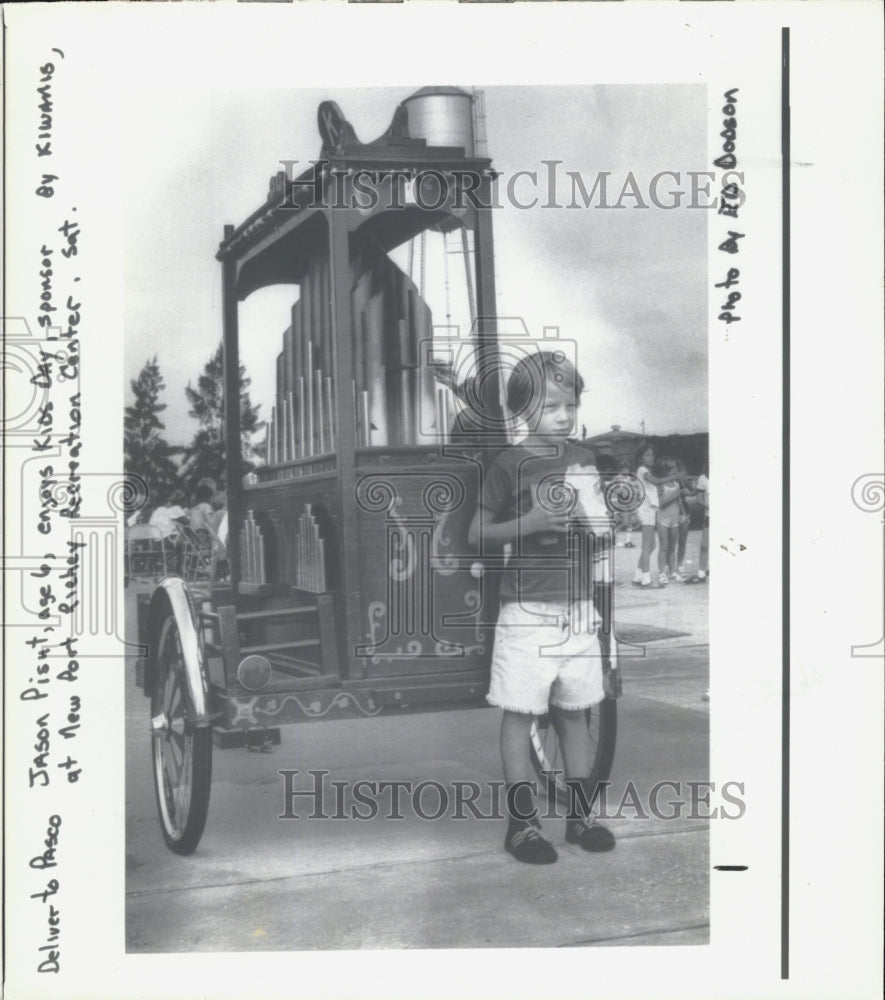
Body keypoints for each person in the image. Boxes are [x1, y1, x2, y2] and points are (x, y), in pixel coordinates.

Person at [469, 350, 616, 865]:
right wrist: (530, 524)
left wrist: (597, 527)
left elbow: (595, 528)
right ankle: (522, 824)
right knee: (521, 715)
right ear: (522, 410)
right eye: (551, 405)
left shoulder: (585, 460)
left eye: (570, 404)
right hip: (526, 609)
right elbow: (477, 532)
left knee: (575, 715)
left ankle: (580, 816)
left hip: (577, 606)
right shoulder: (509, 464)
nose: (564, 415)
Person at [631, 445, 679, 588]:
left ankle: (637, 577)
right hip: (646, 510)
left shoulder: (646, 470)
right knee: (647, 546)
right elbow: (656, 482)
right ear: (641, 458)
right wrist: (675, 476)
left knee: (651, 546)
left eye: (652, 454)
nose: (651, 457)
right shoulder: (642, 469)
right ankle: (646, 580)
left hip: (650, 510)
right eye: (647, 455)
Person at [654, 457, 682, 585]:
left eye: (674, 469)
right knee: (664, 547)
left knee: (672, 548)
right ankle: (662, 574)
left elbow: (679, 501)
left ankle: (673, 571)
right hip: (663, 519)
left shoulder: (676, 484)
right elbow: (659, 503)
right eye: (670, 470)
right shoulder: (661, 485)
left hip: (674, 519)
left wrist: (683, 513)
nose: (673, 472)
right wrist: (674, 496)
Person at [686, 468, 709, 584]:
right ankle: (701, 575)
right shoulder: (703, 479)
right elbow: (699, 500)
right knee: (705, 546)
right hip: (710, 516)